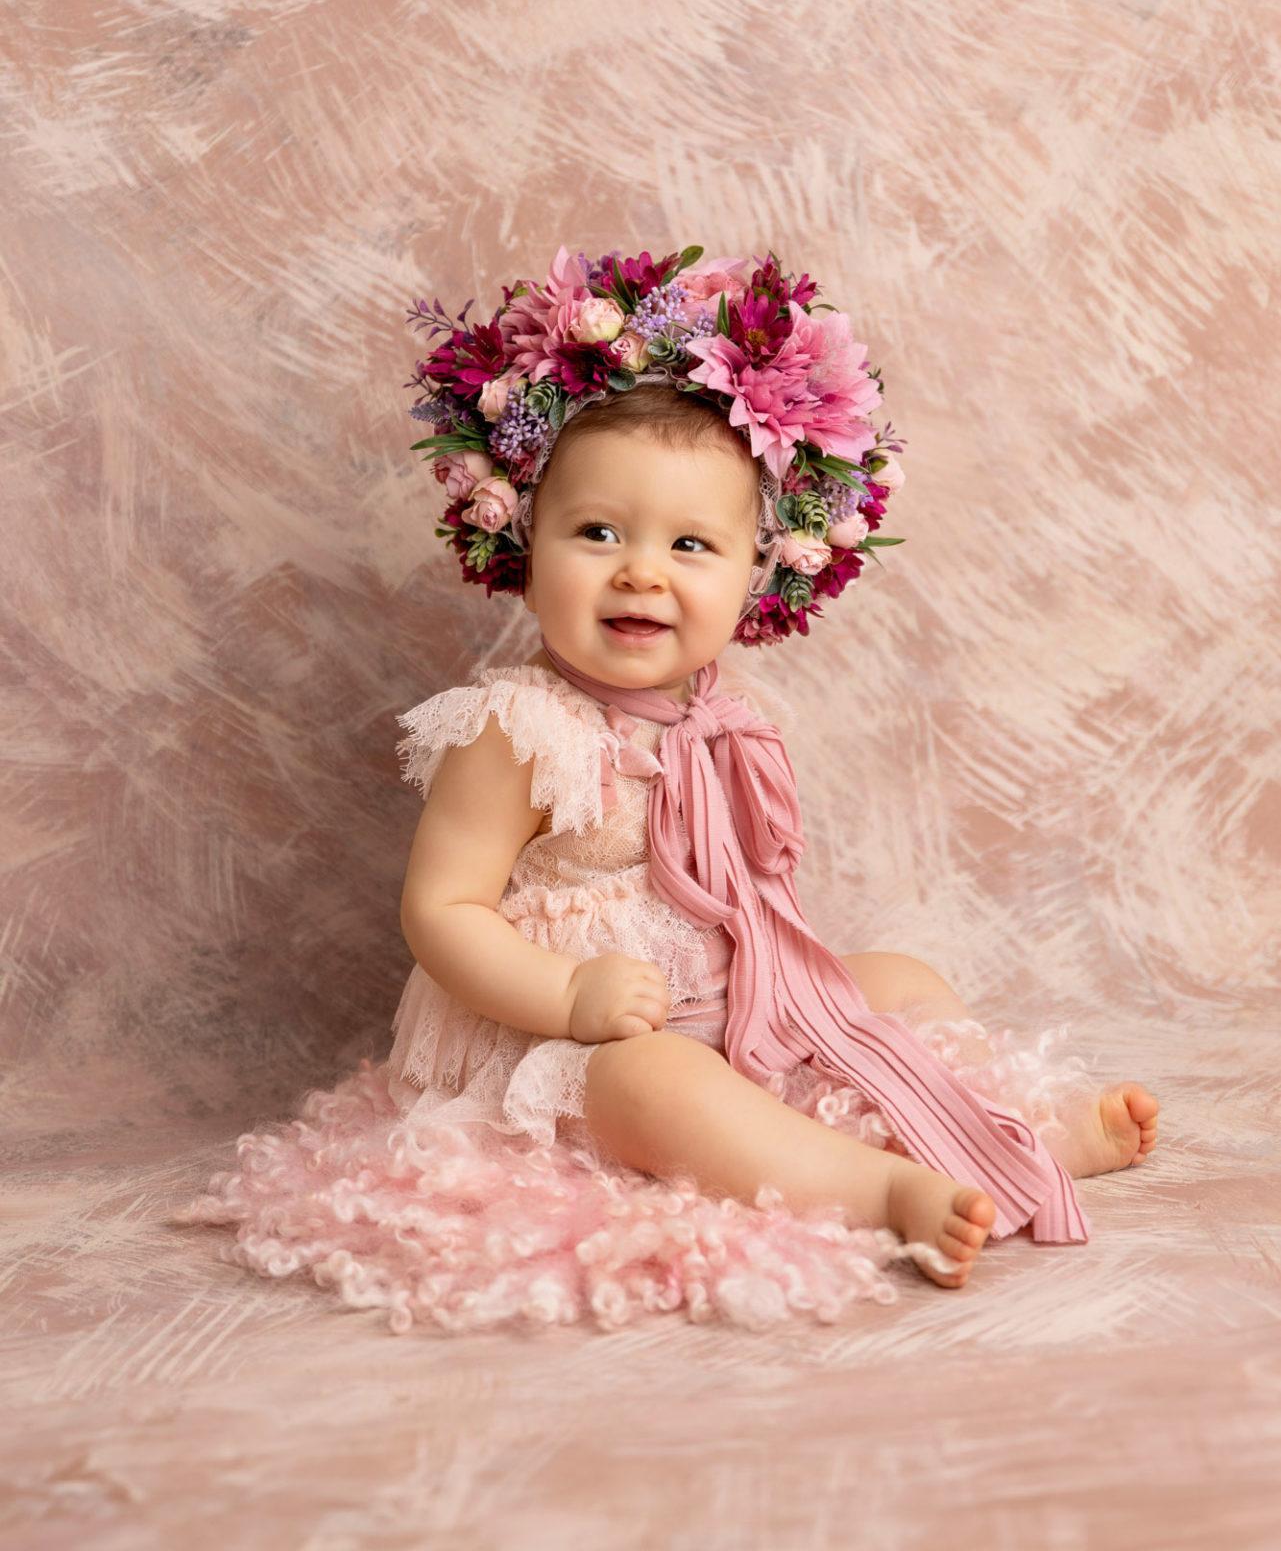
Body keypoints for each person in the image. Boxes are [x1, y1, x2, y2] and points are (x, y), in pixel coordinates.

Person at [175, 245, 1157, 1327]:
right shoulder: (516, 726)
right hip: (561, 1036)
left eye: (691, 545)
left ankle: (1003, 1131)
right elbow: (440, 908)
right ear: (522, 542)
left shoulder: (726, 719)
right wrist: (568, 998)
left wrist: (782, 991)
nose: (640, 570)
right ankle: (880, 1190)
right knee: (659, 1086)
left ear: (756, 576)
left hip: (708, 994)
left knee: (892, 980)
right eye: (597, 532)